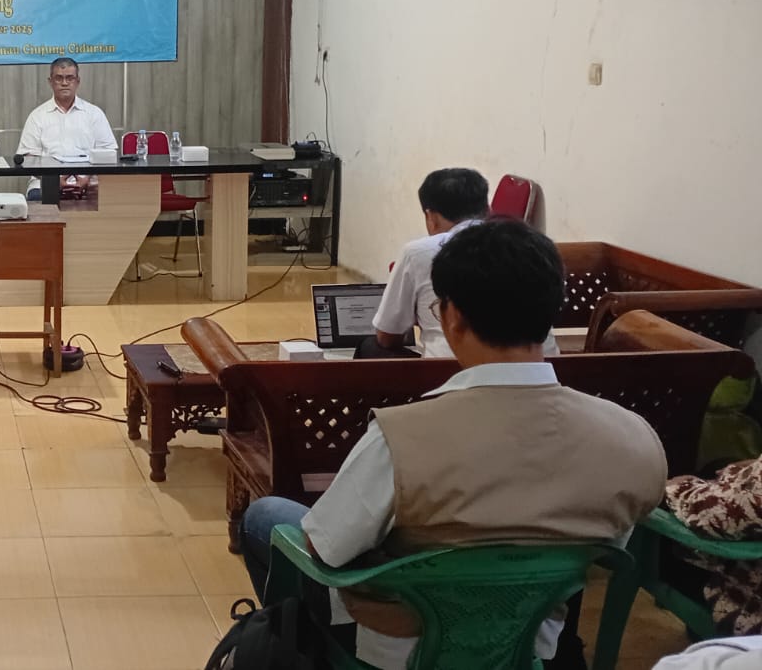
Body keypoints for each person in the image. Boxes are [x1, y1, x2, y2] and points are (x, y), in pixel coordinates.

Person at [238, 221, 667, 670]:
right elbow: (611, 545)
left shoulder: (400, 438)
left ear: (452, 316)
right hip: (530, 641)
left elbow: (322, 545)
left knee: (266, 517)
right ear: (551, 313)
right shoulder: (631, 439)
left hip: (397, 650)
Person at [363, 168, 560, 360]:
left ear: (430, 217)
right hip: (547, 367)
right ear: (488, 209)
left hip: (451, 370)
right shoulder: (527, 247)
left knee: (370, 347)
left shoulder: (421, 253)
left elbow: (387, 336)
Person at [663, 456, 762, 636]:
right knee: (717, 466)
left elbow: (714, 515)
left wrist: (678, 487)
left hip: (749, 612)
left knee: (662, 507)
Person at [14, 57, 116, 201]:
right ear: (50, 81)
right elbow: (27, 158)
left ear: (77, 81)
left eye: (70, 78)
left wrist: (87, 178)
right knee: (37, 198)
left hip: (89, 182)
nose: (64, 83)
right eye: (59, 78)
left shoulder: (94, 114)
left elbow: (108, 153)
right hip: (45, 183)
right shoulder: (37, 116)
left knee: (110, 200)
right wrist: (53, 179)